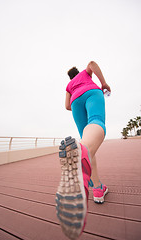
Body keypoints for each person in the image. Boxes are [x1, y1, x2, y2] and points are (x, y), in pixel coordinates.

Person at [56, 61, 111, 240]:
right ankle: (82, 152)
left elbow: (66, 106)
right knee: (96, 121)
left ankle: (97, 189)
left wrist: (75, 97)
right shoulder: (84, 75)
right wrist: (103, 83)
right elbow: (92, 63)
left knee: (87, 146)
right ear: (78, 73)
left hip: (75, 102)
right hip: (91, 93)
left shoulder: (69, 85)